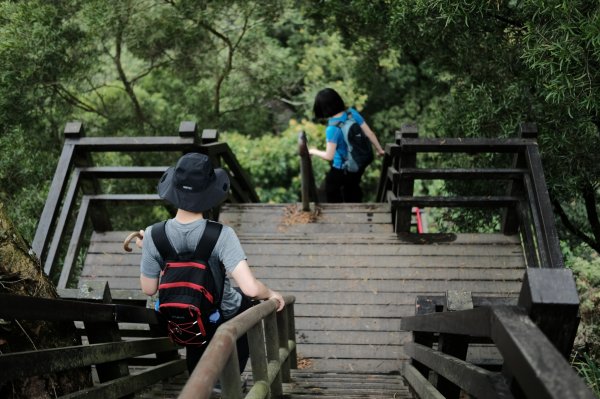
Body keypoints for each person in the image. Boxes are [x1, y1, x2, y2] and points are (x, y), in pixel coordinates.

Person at [136, 152, 285, 375]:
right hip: (222, 315)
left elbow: (149, 289)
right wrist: (272, 294)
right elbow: (251, 289)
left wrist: (148, 247)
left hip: (188, 317)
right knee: (241, 303)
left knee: (199, 348)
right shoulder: (222, 235)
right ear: (209, 192)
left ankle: (202, 382)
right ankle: (229, 381)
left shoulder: (153, 235)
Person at [309, 88, 385, 203]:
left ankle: (339, 215)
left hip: (342, 166)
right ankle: (356, 211)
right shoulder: (352, 113)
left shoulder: (332, 128)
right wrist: (379, 150)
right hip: (360, 161)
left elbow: (329, 156)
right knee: (352, 187)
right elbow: (369, 133)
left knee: (328, 189)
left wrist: (313, 151)